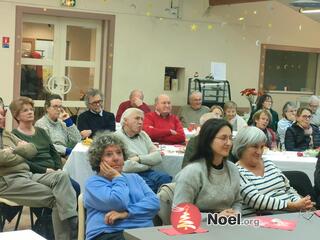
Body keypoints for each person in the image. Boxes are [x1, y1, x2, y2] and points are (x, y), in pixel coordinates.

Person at [0, 99, 78, 240]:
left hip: (27, 174)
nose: (2, 117)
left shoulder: (5, 134)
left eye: (3, 114)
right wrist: (20, 151)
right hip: (9, 180)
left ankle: (72, 217)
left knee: (63, 176)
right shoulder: (15, 133)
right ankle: (67, 233)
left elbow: (31, 150)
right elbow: (8, 158)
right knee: (58, 198)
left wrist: (14, 151)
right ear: (17, 115)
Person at [84, 133, 160, 240]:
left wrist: (126, 213)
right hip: (108, 233)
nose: (116, 158)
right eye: (109, 154)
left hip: (142, 231)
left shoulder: (135, 178)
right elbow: (118, 202)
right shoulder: (93, 183)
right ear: (98, 160)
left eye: (119, 153)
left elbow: (154, 203)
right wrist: (117, 177)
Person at [233, 126, 314, 216]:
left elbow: (288, 188)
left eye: (262, 147)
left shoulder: (268, 163)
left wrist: (300, 202)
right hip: (261, 221)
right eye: (254, 147)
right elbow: (255, 200)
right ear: (242, 147)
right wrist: (292, 205)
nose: (259, 152)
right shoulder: (236, 171)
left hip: (290, 214)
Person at [9, 97, 80, 195]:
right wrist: (45, 170)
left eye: (31, 109)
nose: (30, 112)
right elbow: (23, 161)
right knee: (68, 189)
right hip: (36, 173)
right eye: (25, 110)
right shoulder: (15, 135)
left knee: (75, 187)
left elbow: (53, 152)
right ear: (17, 115)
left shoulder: (41, 131)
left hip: (54, 171)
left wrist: (58, 168)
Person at [173, 119, 242, 216]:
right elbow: (180, 212)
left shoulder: (233, 169)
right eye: (223, 138)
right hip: (197, 227)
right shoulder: (192, 172)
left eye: (230, 138)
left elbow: (237, 201)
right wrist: (215, 217)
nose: (229, 143)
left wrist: (236, 213)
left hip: (227, 224)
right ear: (208, 140)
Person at [115, 108, 172, 192]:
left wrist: (139, 159)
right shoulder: (116, 137)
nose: (141, 122)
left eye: (142, 119)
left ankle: (159, 203)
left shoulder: (143, 135)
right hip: (129, 174)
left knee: (165, 178)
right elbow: (125, 167)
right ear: (125, 121)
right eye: (137, 118)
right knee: (148, 184)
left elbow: (158, 157)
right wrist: (149, 163)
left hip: (147, 172)